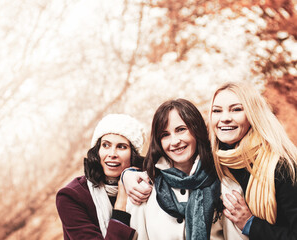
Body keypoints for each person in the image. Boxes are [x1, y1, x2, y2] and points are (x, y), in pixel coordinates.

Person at [127, 99, 238, 240]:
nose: (174, 141)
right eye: (165, 135)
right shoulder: (143, 189)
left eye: (181, 130)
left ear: (196, 130)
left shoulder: (225, 185)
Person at [208, 82, 297, 239]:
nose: (225, 118)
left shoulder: (281, 165)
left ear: (253, 114)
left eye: (236, 109)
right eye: (217, 111)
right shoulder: (214, 162)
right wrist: (149, 180)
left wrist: (250, 223)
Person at [56, 113, 146, 239]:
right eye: (106, 145)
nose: (112, 154)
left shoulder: (146, 188)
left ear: (133, 154)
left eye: (121, 147)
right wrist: (121, 202)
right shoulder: (71, 196)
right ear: (97, 150)